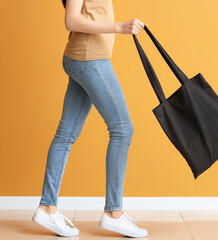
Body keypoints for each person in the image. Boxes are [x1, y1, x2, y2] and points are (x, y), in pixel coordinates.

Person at [31, 0, 148, 237]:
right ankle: (113, 213)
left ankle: (48, 207)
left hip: (86, 58)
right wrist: (119, 27)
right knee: (122, 130)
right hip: (90, 60)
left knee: (65, 135)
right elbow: (71, 20)